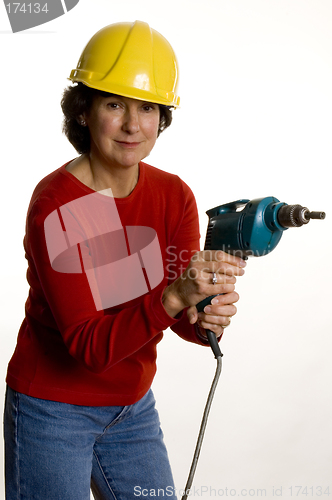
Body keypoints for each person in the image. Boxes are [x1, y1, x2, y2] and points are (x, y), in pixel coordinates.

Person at [3, 21, 246, 499]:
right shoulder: (58, 205)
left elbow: (169, 313)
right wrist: (176, 296)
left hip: (131, 408)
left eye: (148, 107)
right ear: (85, 112)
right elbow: (91, 347)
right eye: (115, 104)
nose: (133, 125)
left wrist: (200, 314)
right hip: (52, 409)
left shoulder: (173, 195)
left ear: (162, 117)